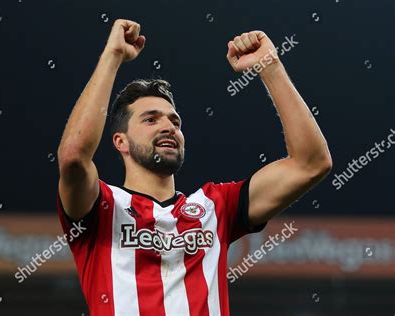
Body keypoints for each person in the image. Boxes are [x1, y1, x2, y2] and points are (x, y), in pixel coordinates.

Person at [56, 19, 332, 316]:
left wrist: (271, 66)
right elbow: (73, 156)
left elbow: (312, 163)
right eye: (151, 119)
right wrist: (112, 56)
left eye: (175, 121)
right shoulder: (101, 208)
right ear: (120, 141)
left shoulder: (216, 206)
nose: (168, 127)